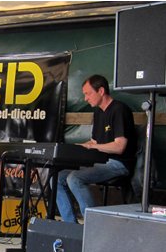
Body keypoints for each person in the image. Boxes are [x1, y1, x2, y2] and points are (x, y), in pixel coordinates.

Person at [56, 74, 137, 223]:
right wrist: (73, 148)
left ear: (101, 91)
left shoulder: (120, 110)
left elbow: (119, 147)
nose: (85, 98)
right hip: (100, 161)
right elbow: (94, 141)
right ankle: (70, 226)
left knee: (75, 179)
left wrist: (92, 146)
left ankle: (92, 226)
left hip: (119, 163)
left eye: (88, 94)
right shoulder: (99, 112)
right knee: (57, 178)